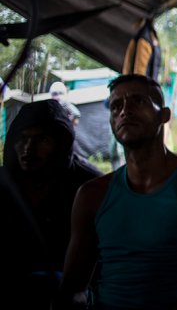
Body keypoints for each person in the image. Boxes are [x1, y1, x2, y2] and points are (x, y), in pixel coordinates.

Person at [59, 74, 177, 310]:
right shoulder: (92, 195)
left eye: (138, 101)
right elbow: (72, 287)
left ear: (164, 115)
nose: (124, 111)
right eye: (116, 106)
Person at [0, 100, 102, 309]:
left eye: (42, 139)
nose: (29, 148)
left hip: (69, 291)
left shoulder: (89, 185)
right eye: (23, 138)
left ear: (61, 142)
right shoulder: (4, 181)